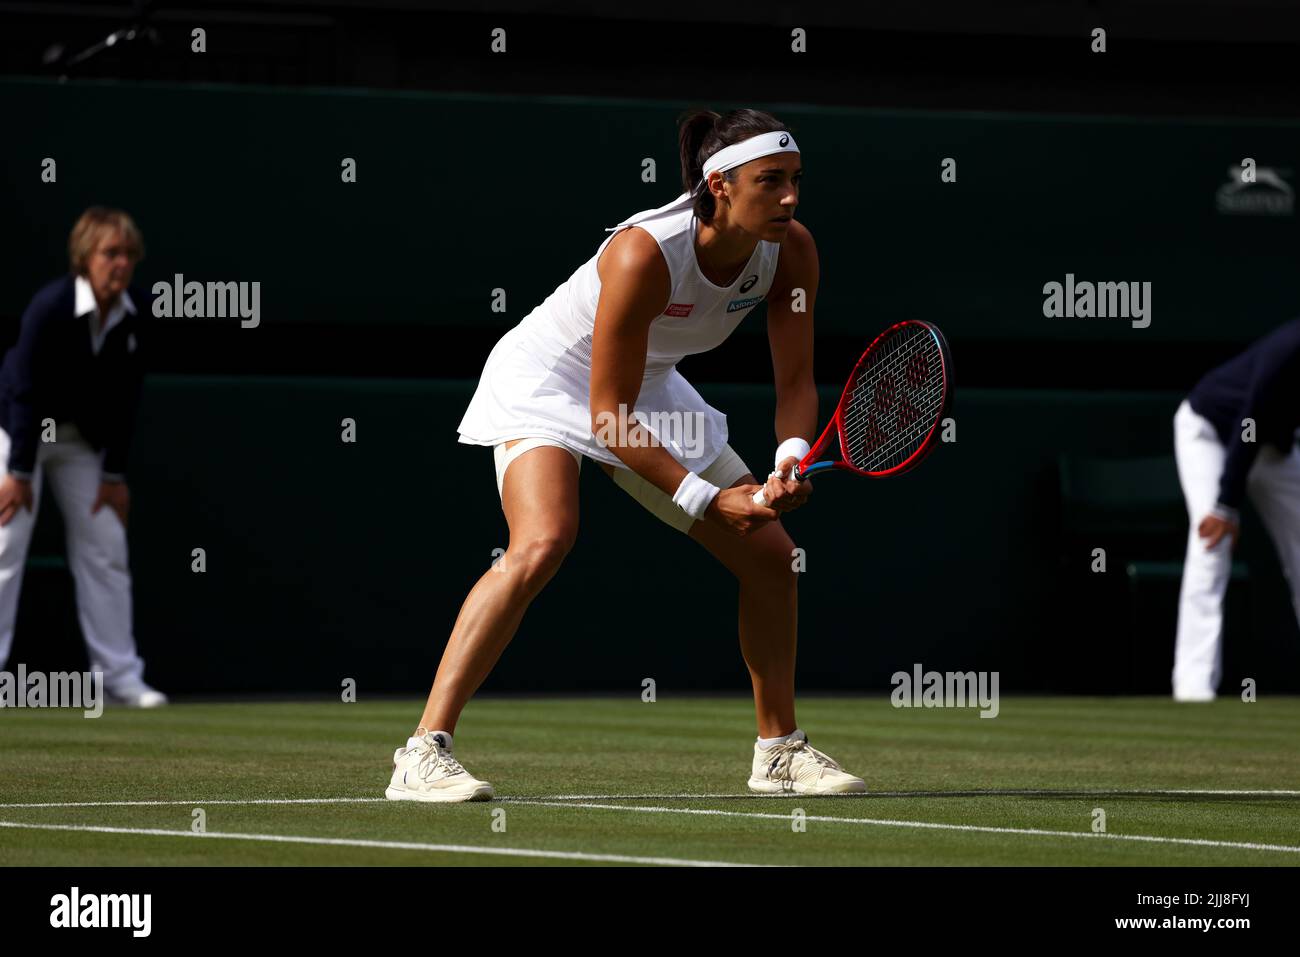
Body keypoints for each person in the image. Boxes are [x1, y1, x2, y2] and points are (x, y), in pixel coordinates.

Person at [385, 108, 865, 801]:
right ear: (720, 185)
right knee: (544, 539)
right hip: (550, 379)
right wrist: (706, 497)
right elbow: (609, 415)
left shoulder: (792, 250)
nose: (790, 197)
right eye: (771, 181)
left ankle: (778, 752)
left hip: (646, 383)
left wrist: (789, 456)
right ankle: (422, 752)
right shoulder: (645, 251)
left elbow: (794, 382)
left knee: (771, 556)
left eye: (796, 179)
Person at [0, 207, 166, 708]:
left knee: (106, 542)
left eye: (128, 255)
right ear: (84, 258)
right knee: (5, 540)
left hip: (80, 444)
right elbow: (24, 392)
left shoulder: (135, 312)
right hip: (19, 432)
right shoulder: (48, 307)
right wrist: (18, 473)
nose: (121, 264)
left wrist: (114, 474)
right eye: (110, 253)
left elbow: (126, 399)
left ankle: (118, 677)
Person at [1172, 318, 1300, 701]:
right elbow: (1250, 419)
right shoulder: (1289, 347)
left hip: (1275, 447)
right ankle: (1193, 689)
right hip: (1211, 432)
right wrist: (1225, 504)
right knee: (1211, 543)